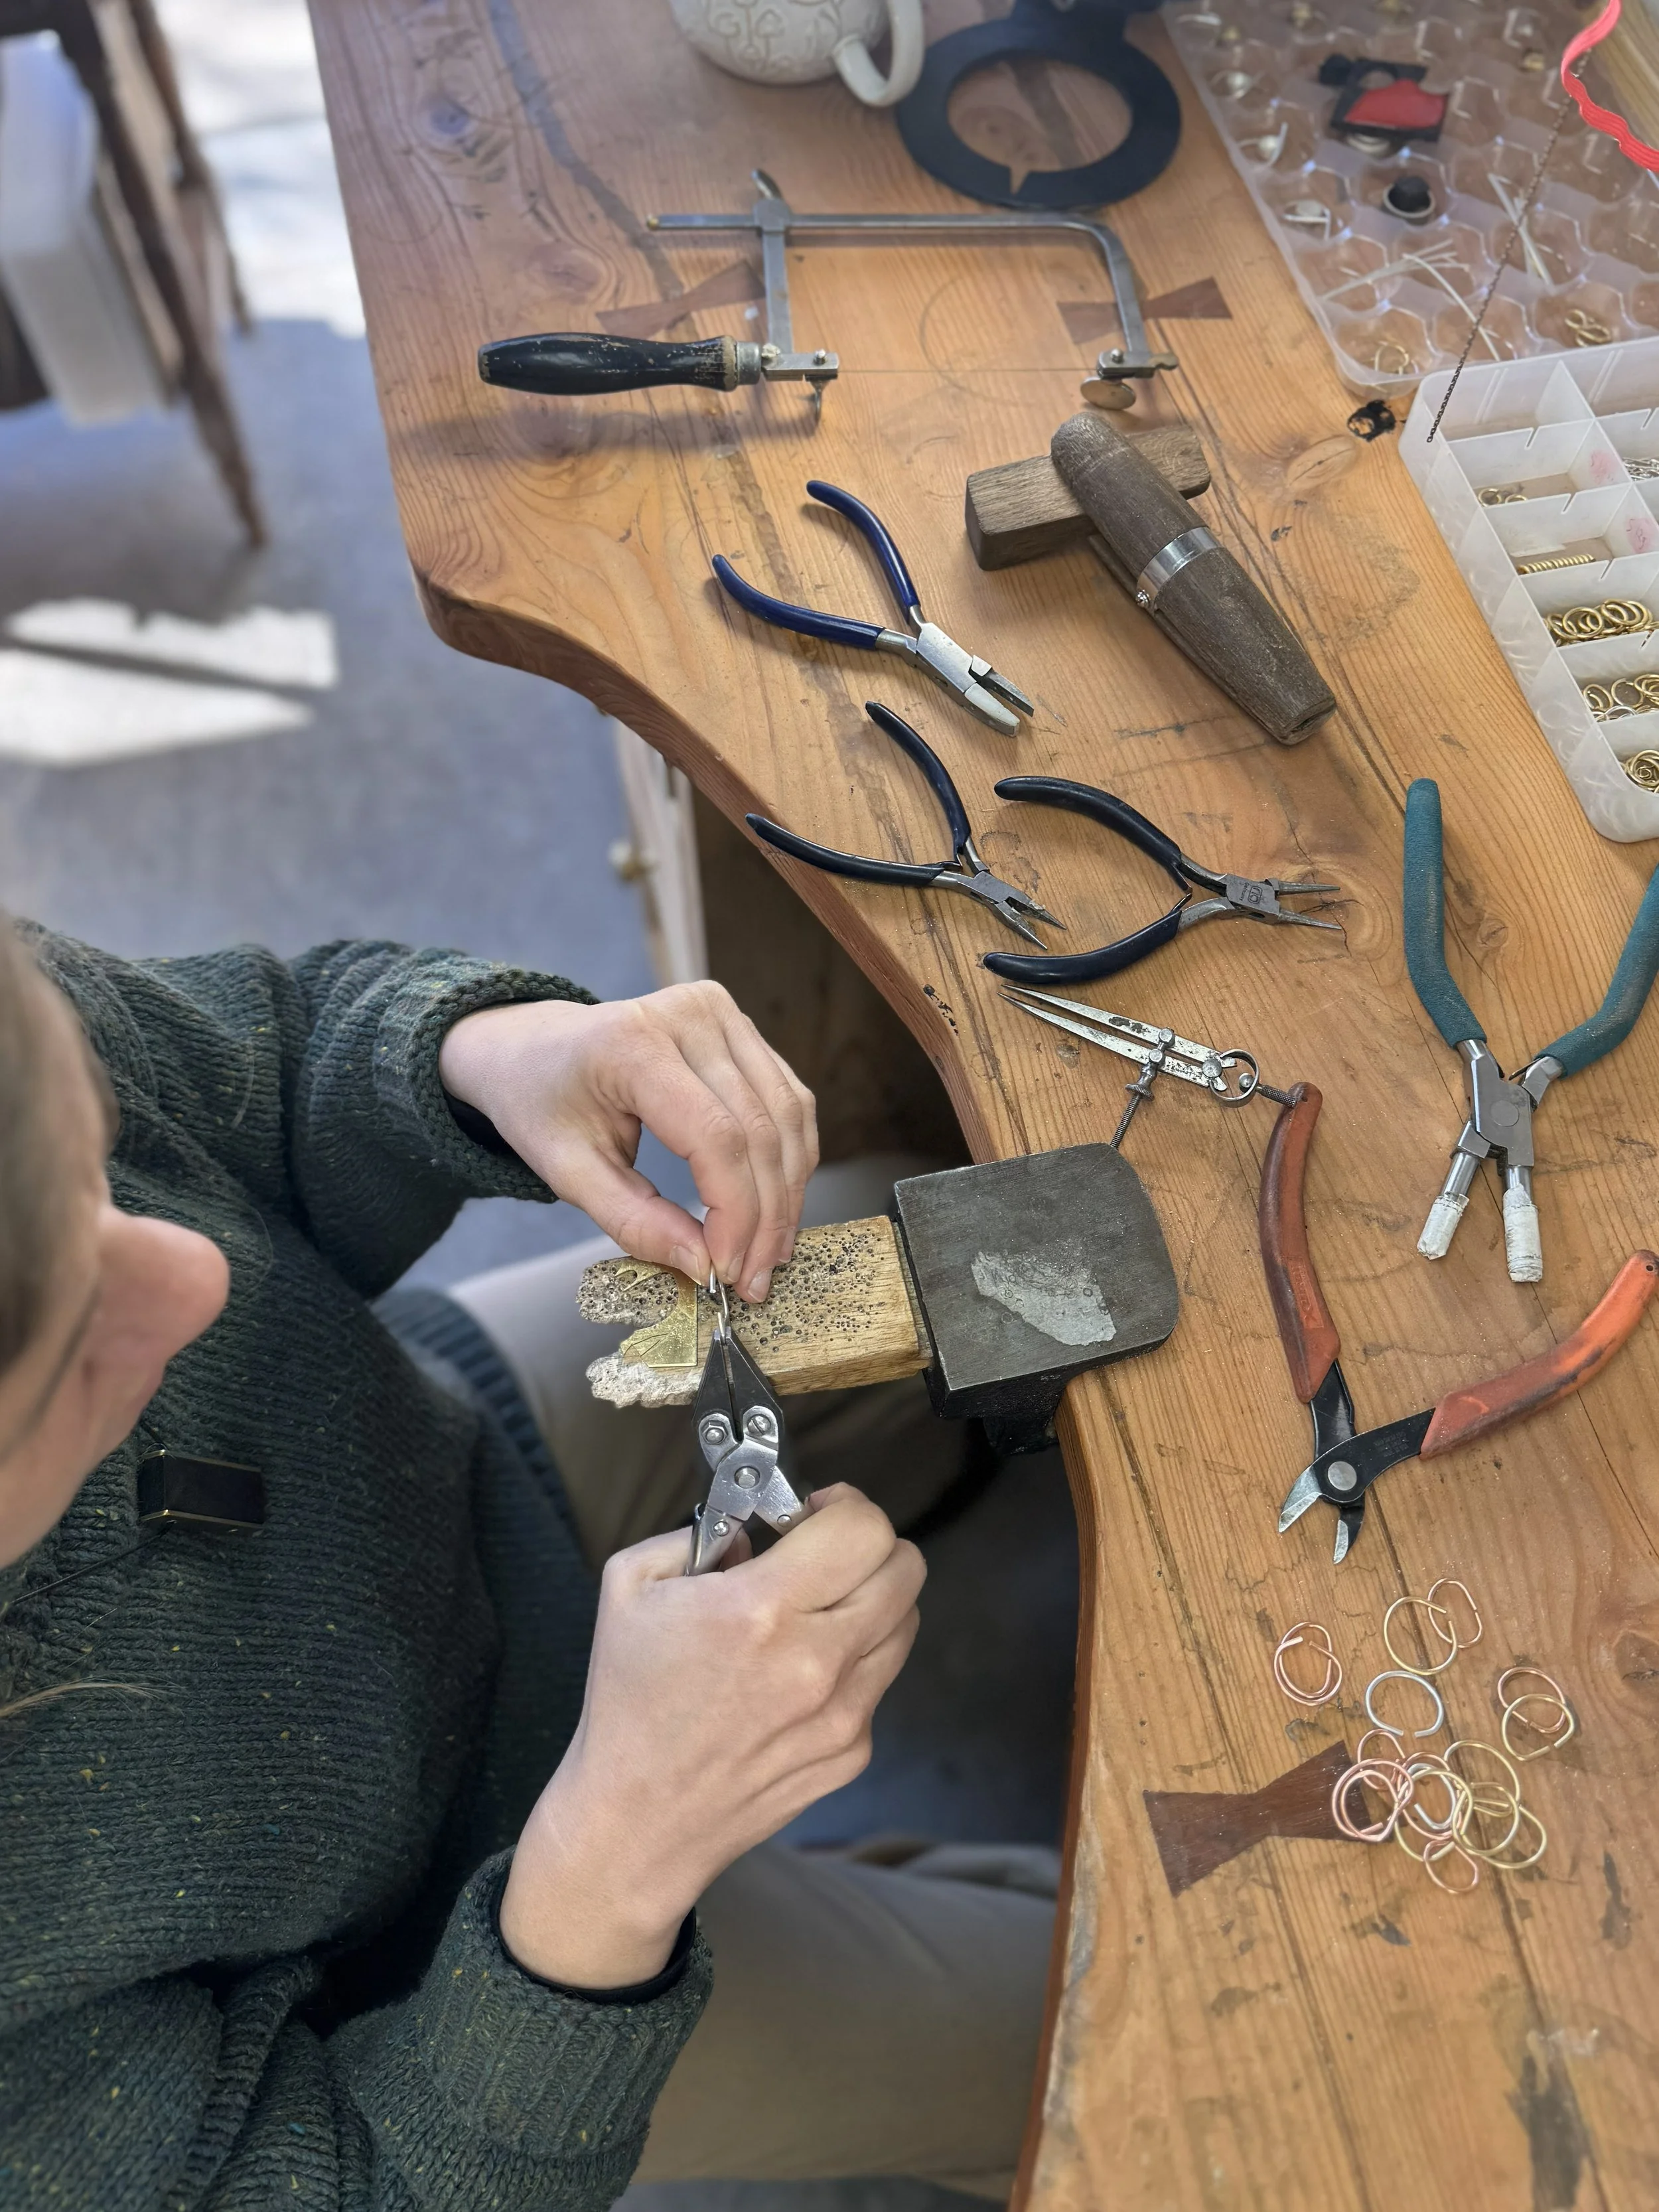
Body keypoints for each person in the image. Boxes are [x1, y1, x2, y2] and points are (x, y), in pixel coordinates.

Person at [0, 918, 1057, 2209]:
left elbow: (247, 1050)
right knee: (1104, 2022)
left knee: (962, 1237)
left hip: (437, 1457)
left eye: (105, 1175)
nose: (199, 1275)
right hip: (462, 1962)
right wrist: (617, 1867)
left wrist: (487, 1054)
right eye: (69, 1354)